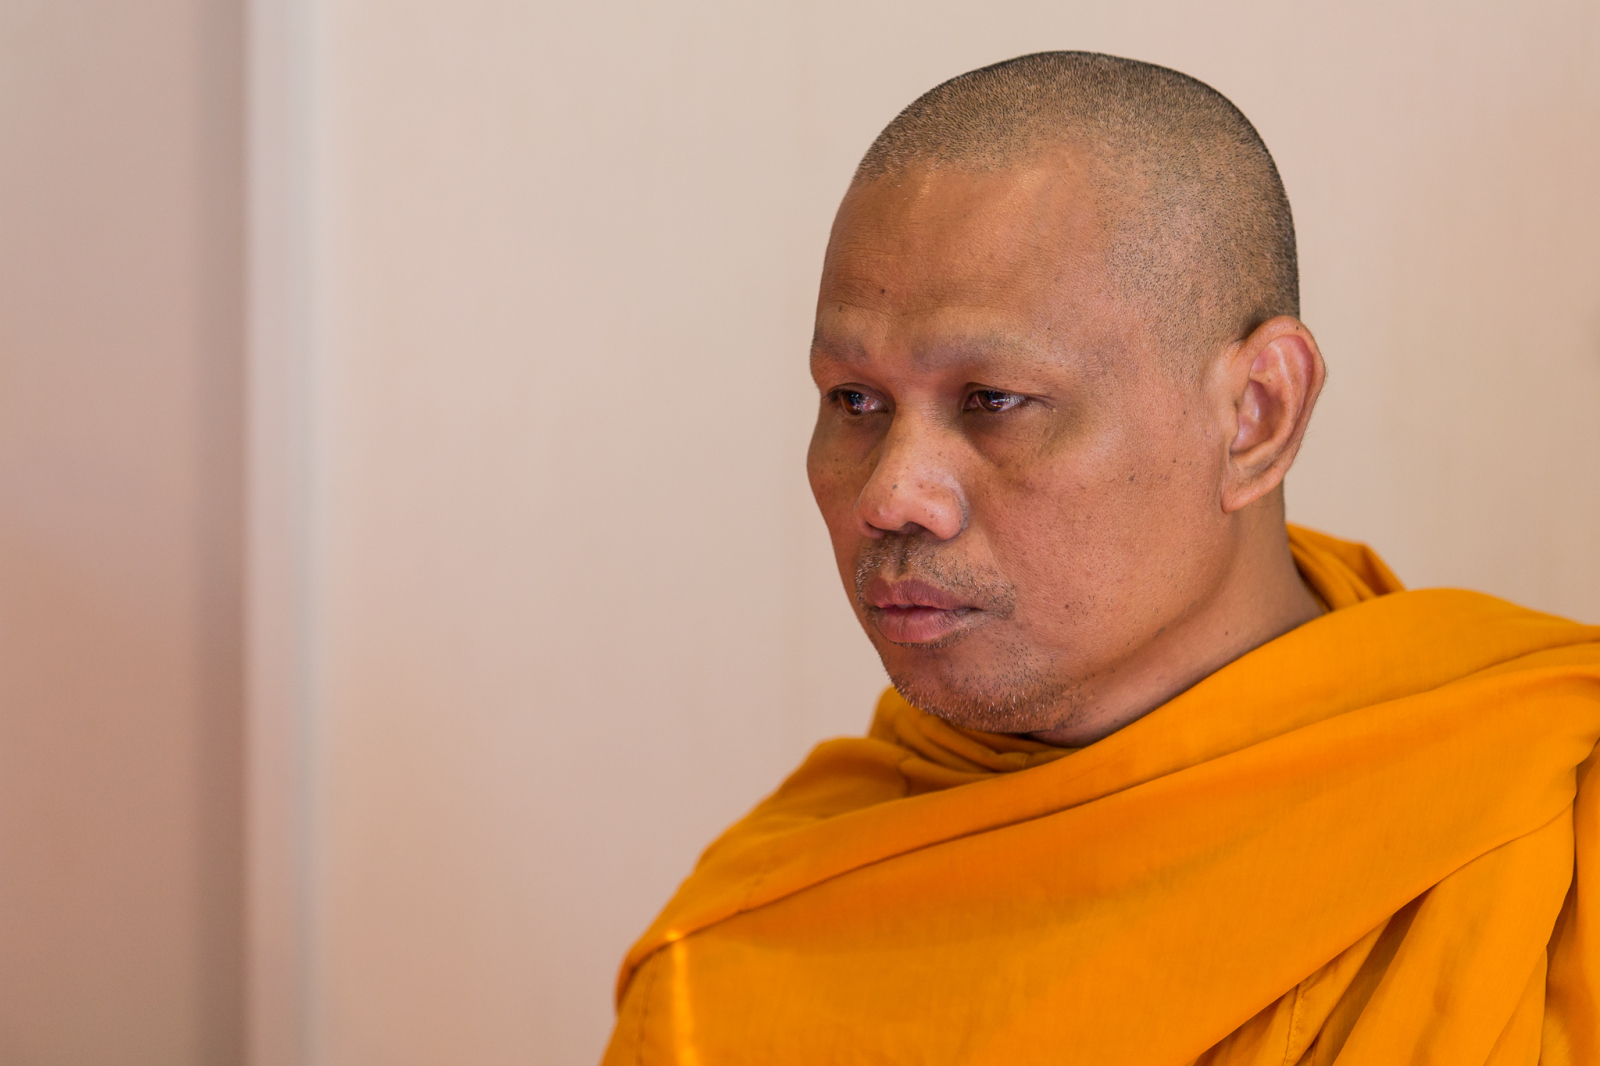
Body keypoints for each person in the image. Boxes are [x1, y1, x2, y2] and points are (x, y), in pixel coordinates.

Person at [602, 52, 1600, 1065]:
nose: (890, 496)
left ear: (1256, 415)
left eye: (994, 400)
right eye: (855, 401)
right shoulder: (740, 967)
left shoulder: (1547, 808)